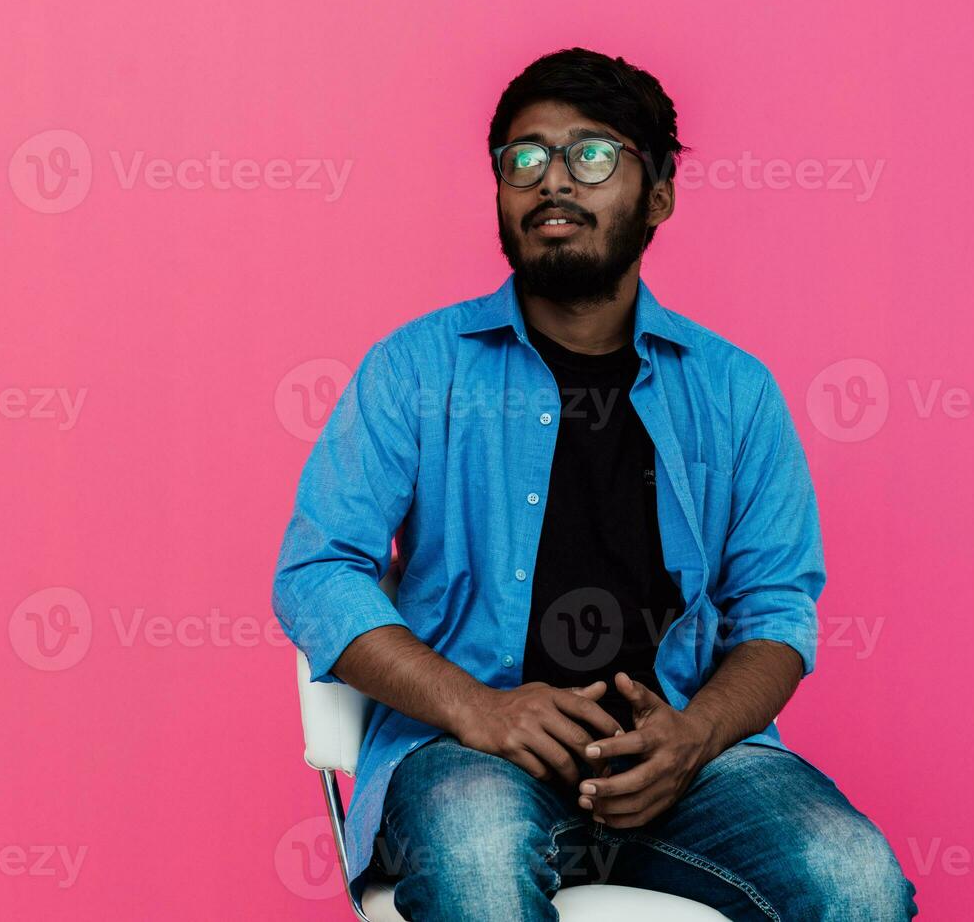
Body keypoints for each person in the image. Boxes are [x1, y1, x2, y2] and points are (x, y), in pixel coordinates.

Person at [273, 47, 919, 920]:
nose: (552, 181)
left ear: (657, 194)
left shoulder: (732, 392)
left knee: (855, 879)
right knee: (475, 857)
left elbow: (774, 612)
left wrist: (692, 738)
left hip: (688, 764)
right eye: (524, 158)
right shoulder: (416, 370)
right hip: (474, 758)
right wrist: (478, 710)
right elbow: (316, 572)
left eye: (591, 155)